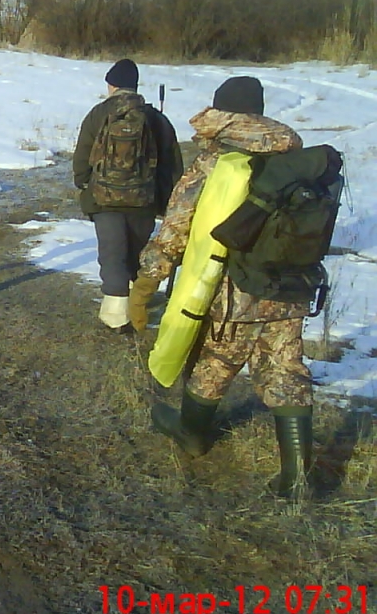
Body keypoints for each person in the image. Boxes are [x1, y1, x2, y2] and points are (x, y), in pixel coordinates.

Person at [130, 76, 313, 498]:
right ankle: (297, 476)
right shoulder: (294, 158)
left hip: (237, 287)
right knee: (286, 367)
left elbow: (177, 227)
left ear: (223, 113)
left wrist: (147, 279)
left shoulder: (216, 161)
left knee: (216, 361)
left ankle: (192, 434)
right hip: (291, 283)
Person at [72, 58, 182, 331]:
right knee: (136, 251)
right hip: (143, 200)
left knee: (111, 253)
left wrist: (86, 186)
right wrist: (166, 199)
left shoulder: (99, 114)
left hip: (104, 198)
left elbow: (82, 155)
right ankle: (136, 307)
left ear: (111, 85)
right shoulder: (155, 118)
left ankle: (115, 316)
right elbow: (171, 164)